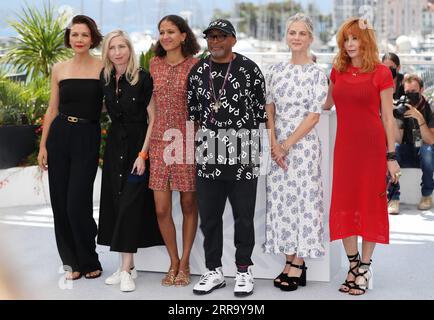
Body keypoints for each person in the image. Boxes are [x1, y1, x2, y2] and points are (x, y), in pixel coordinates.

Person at [188, 19, 267, 297]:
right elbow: (194, 116)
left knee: (244, 217)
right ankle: (214, 272)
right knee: (210, 218)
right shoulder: (198, 72)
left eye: (222, 37)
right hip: (208, 154)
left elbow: (260, 112)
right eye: (211, 37)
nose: (215, 42)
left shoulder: (250, 70)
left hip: (243, 154)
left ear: (233, 39)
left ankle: (244, 271)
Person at [323, 17, 400, 296]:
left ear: (366, 41)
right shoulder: (337, 70)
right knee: (344, 204)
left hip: (372, 149)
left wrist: (391, 156)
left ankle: (365, 267)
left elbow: (389, 119)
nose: (350, 44)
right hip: (344, 150)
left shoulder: (381, 73)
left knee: (369, 206)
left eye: (355, 38)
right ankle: (353, 265)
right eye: (346, 39)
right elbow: (326, 103)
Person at [263, 13, 328, 292]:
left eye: (302, 33)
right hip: (278, 147)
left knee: (303, 201)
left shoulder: (317, 74)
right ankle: (289, 259)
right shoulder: (275, 71)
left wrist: (286, 145)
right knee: (281, 203)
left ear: (310, 38)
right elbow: (270, 110)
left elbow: (314, 116)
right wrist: (275, 144)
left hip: (303, 148)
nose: (296, 37)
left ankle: (299, 262)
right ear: (286, 36)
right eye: (292, 32)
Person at [37, 15, 104, 280]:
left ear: (92, 38)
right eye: (74, 35)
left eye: (84, 35)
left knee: (78, 203)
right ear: (69, 38)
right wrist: (43, 146)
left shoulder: (103, 67)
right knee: (60, 203)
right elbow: (52, 108)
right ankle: (71, 262)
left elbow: (111, 103)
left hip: (88, 134)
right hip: (60, 134)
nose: (79, 40)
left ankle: (89, 259)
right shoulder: (59, 68)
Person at [97, 30, 164, 292]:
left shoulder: (143, 78)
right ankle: (129, 266)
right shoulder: (104, 78)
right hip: (114, 146)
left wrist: (143, 154)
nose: (117, 52)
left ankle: (125, 270)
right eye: (112, 47)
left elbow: (153, 119)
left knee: (130, 204)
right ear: (107, 52)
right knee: (116, 203)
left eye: (122, 46)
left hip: (138, 147)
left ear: (129, 49)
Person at [149, 15, 200, 287]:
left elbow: (203, 108)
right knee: (161, 209)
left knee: (189, 204)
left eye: (171, 31)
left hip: (187, 142)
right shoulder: (154, 65)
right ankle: (172, 260)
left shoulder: (196, 66)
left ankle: (185, 262)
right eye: (162, 32)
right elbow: (152, 108)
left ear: (183, 35)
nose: (166, 36)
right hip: (159, 142)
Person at [387, 74, 434, 214]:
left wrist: (419, 117)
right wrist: (393, 116)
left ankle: (426, 196)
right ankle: (394, 198)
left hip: (425, 152)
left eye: (414, 92)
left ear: (421, 90)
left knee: (427, 151)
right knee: (393, 149)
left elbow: (431, 140)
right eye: (408, 92)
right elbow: (398, 139)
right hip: (407, 149)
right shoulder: (403, 106)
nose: (410, 95)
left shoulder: (429, 107)